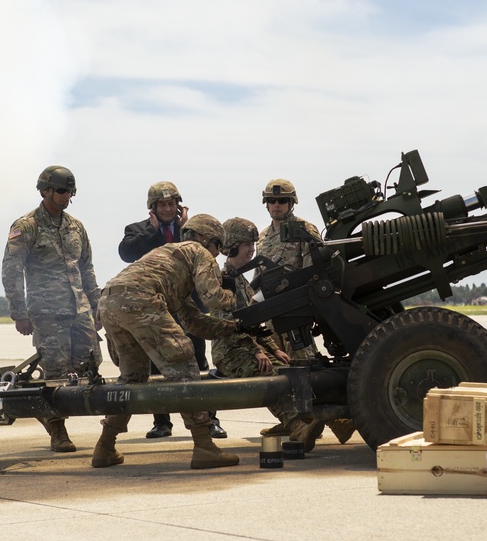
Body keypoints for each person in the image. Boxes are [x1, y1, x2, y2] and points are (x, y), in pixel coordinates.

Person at [92, 214, 241, 470]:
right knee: (184, 368)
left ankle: (105, 447)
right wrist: (235, 298)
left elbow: (194, 322)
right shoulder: (198, 250)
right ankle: (205, 446)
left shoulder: (169, 259)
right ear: (207, 239)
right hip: (139, 298)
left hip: (109, 301)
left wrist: (233, 328)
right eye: (218, 247)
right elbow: (213, 298)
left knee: (132, 377)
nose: (216, 255)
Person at [2, 165, 101, 453]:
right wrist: (19, 312)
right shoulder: (26, 225)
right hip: (47, 313)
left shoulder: (76, 227)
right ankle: (57, 431)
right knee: (55, 373)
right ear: (45, 190)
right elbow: (11, 270)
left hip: (79, 310)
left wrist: (96, 306)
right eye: (60, 190)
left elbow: (87, 268)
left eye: (69, 190)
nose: (65, 195)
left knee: (90, 365)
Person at [118, 181, 227, 440]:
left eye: (172, 204)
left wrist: (183, 228)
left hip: (188, 307)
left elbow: (207, 258)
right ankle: (162, 422)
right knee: (157, 365)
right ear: (152, 208)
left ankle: (210, 420)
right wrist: (153, 231)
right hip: (152, 308)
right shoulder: (137, 231)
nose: (168, 209)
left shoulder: (193, 231)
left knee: (197, 361)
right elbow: (126, 254)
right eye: (162, 205)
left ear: (179, 206)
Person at [210, 218, 329, 444]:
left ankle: (329, 421)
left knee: (292, 371)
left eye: (253, 245)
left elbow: (253, 325)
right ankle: (298, 426)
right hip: (230, 351)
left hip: (246, 346)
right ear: (232, 246)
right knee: (272, 378)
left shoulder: (242, 281)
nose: (252, 250)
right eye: (247, 245)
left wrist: (274, 350)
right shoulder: (224, 281)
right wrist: (257, 352)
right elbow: (229, 326)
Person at [257, 178, 356, 446]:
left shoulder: (304, 230)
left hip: (296, 311)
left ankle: (340, 420)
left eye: (282, 201)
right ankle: (293, 419)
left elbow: (317, 271)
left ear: (291, 203)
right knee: (277, 371)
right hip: (270, 313)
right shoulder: (262, 237)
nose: (276, 205)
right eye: (272, 201)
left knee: (307, 367)